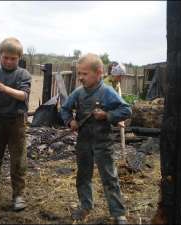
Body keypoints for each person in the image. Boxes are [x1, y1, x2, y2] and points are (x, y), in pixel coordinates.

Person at [60, 53, 131, 224]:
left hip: (102, 142)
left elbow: (126, 110)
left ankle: (118, 212)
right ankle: (85, 207)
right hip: (83, 141)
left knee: (109, 177)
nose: (81, 78)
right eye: (79, 74)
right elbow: (65, 109)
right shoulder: (78, 93)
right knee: (83, 176)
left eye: (85, 74)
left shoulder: (107, 92)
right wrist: (71, 121)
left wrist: (107, 115)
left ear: (98, 73)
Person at [0, 37, 32, 211]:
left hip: (16, 123)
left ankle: (18, 196)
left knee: (18, 161)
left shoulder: (23, 74)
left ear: (19, 58)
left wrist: (3, 88)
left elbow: (23, 96)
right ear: (0, 56)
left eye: (13, 58)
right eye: (6, 57)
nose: (9, 61)